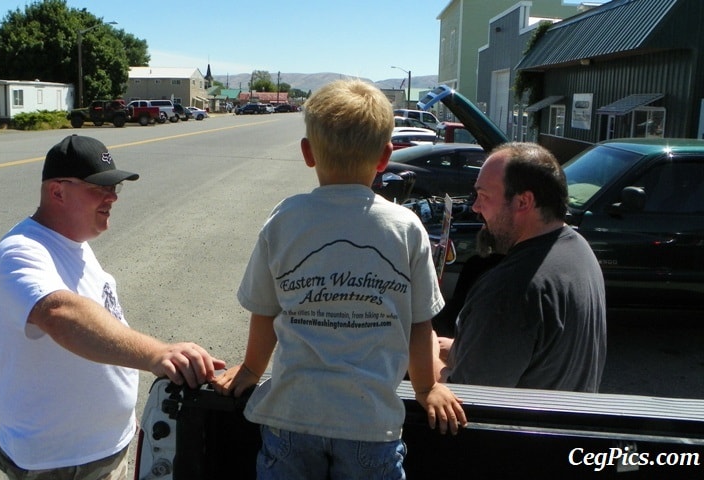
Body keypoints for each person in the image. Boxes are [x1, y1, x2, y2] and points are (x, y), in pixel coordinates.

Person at [211, 80, 467, 480]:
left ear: (308, 153)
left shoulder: (285, 219)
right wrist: (426, 388)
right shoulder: (406, 227)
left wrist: (250, 370)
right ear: (386, 156)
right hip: (371, 424)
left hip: (291, 417)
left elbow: (264, 312)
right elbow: (420, 324)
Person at [0, 134, 225, 479]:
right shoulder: (21, 250)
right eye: (99, 188)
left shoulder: (75, 244)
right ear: (57, 191)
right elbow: (60, 313)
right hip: (60, 464)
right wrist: (157, 354)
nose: (112, 196)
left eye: (115, 187)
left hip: (103, 450)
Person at [438, 142, 607, 392]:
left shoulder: (512, 288)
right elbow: (529, 355)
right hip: (563, 423)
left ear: (523, 202)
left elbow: (468, 400)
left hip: (515, 428)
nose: (475, 207)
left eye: (484, 196)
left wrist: (419, 352)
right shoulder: (579, 250)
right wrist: (447, 348)